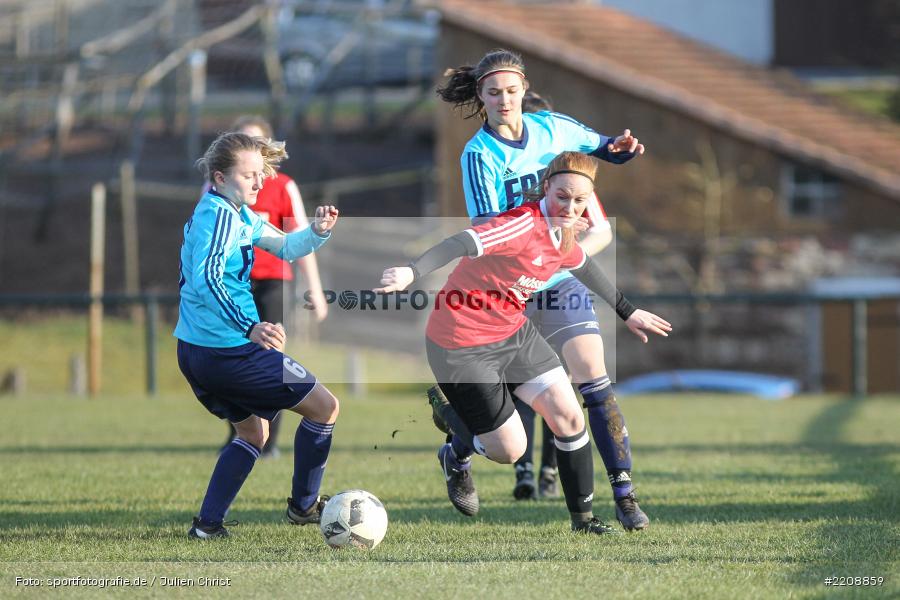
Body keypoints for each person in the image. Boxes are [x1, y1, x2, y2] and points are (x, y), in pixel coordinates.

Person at [377, 152, 671, 535]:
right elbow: (463, 242)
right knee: (508, 450)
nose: (570, 207)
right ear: (546, 187)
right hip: (460, 341)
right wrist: (412, 271)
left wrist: (628, 311)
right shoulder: (522, 224)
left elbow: (582, 264)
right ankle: (452, 436)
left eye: (580, 200)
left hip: (513, 333)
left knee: (568, 417)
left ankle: (583, 523)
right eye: (562, 196)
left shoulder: (564, 232)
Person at [433, 49, 650, 530]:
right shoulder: (479, 154)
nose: (504, 100)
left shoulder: (555, 128)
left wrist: (623, 148)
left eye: (511, 91)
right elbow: (490, 232)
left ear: (523, 89)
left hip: (560, 280)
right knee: (510, 434)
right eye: (493, 93)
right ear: (481, 97)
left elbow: (603, 147)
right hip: (508, 291)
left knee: (594, 378)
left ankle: (624, 493)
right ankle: (461, 440)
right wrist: (543, 234)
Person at [175, 131, 341, 539]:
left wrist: (318, 231)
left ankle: (207, 526)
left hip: (200, 351)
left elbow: (285, 247)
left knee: (254, 432)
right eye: (248, 175)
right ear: (218, 177)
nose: (259, 182)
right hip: (228, 352)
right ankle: (303, 507)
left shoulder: (236, 212)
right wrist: (248, 326)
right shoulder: (217, 216)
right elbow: (208, 279)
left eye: (260, 174)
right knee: (325, 407)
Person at [219, 115, 329, 459]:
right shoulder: (218, 191)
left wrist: (314, 287)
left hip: (272, 282)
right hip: (233, 285)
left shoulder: (283, 187)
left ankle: (270, 439)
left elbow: (296, 242)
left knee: (270, 360)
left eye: (257, 144)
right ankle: (240, 434)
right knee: (232, 358)